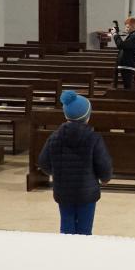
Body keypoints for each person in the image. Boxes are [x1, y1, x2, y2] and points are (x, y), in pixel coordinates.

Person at [37, 90, 113, 235]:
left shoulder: (54, 137)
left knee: (66, 226)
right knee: (85, 229)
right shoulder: (93, 138)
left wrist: (56, 172)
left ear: (66, 115)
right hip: (87, 192)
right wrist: (105, 178)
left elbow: (43, 162)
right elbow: (103, 163)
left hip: (63, 191)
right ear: (87, 117)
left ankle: (67, 248)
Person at [110, 17, 135, 89]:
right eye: (126, 27)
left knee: (128, 88)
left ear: (133, 27)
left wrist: (115, 34)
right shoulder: (133, 35)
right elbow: (123, 45)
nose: (126, 29)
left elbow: (121, 45)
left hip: (128, 65)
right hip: (126, 65)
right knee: (126, 87)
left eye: (128, 27)